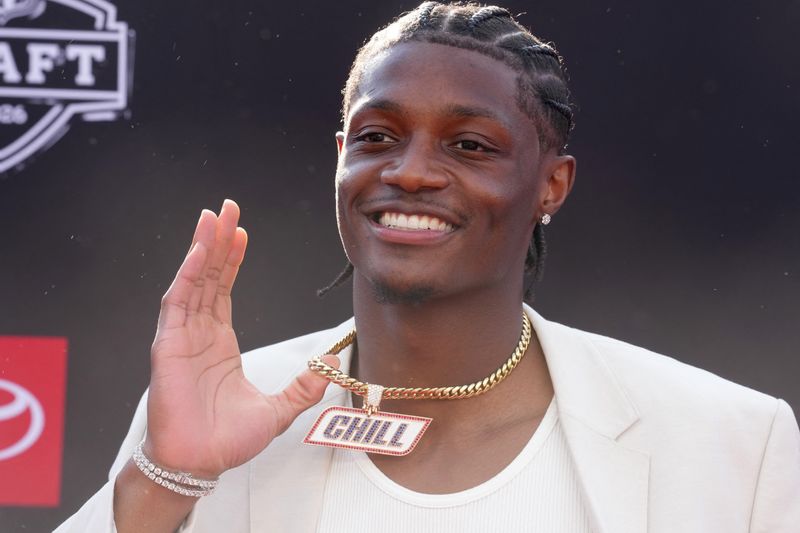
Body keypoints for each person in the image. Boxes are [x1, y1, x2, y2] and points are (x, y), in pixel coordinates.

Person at [56, 2, 800, 532]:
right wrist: (163, 482)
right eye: (378, 136)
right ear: (340, 159)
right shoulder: (209, 423)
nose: (410, 172)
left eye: (469, 145)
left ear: (553, 184)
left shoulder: (731, 443)